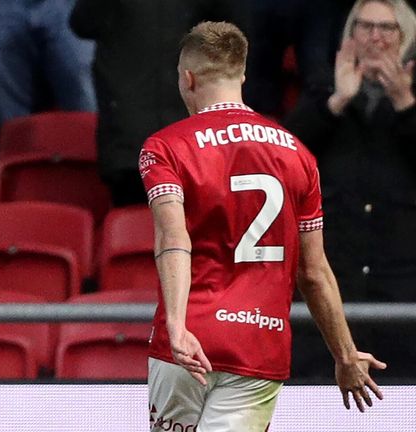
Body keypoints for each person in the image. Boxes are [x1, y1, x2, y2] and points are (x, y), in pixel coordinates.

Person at [140, 21, 386, 431]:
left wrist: (177, 325)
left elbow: (173, 236)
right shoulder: (297, 154)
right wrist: (344, 354)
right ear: (242, 76)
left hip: (189, 338)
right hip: (259, 343)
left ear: (188, 78)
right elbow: (314, 270)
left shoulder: (166, 146)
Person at [283, 0, 416, 379]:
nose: (375, 37)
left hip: (402, 282)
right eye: (365, 26)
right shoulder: (323, 89)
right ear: (350, 34)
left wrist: (405, 103)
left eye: (386, 28)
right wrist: (336, 102)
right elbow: (284, 158)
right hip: (335, 277)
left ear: (405, 37)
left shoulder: (414, 97)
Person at [70, 0, 247, 207]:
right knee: (136, 225)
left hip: (179, 134)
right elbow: (82, 24)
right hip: (136, 137)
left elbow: (232, 34)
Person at [0, 0, 96, 132]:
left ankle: (96, 149)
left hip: (67, 5)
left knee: (83, 81)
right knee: (3, 96)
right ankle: (16, 149)